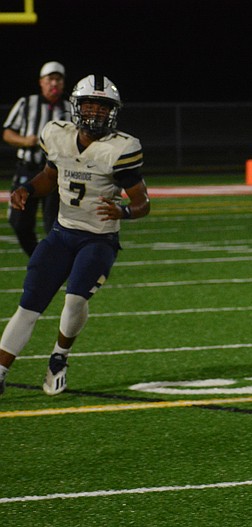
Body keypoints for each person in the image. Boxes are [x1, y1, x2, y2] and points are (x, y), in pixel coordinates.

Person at [0, 75, 150, 397]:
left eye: (102, 107)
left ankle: (59, 357)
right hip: (61, 233)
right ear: (76, 107)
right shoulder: (57, 135)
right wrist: (26, 189)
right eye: (89, 106)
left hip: (98, 239)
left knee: (74, 299)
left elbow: (142, 203)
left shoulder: (120, 149)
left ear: (112, 112)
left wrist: (123, 212)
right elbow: (50, 176)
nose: (95, 113)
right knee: (28, 306)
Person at [3, 61, 71, 256]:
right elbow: (8, 132)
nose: (54, 84)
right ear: (41, 82)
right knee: (19, 221)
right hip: (29, 169)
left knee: (55, 224)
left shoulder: (70, 107)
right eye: (50, 79)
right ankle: (37, 256)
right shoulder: (26, 103)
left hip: (57, 172)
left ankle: (50, 262)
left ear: (63, 83)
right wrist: (26, 141)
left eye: (58, 79)